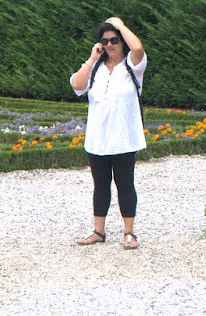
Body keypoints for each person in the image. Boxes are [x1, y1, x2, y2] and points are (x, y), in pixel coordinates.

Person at [69, 16, 147, 249]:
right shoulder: (96, 69)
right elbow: (77, 85)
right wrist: (93, 58)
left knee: (125, 184)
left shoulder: (132, 66)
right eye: (105, 41)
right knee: (100, 185)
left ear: (122, 41)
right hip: (98, 138)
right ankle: (98, 231)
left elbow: (138, 48)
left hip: (124, 138)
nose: (110, 44)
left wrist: (120, 25)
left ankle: (129, 232)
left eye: (114, 40)